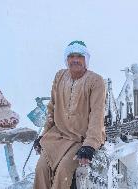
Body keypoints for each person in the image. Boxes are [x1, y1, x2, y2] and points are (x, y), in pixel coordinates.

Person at [33, 40, 106, 189]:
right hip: (57, 136)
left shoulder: (95, 81)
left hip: (81, 138)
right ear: (66, 59)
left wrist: (90, 145)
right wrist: (44, 134)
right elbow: (52, 109)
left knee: (63, 171)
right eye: (71, 56)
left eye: (79, 56)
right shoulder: (60, 76)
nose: (75, 60)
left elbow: (96, 116)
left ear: (86, 59)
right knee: (41, 168)